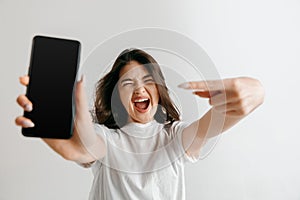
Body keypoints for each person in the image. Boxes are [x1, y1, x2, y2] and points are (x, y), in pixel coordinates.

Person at [15, 49, 265, 199]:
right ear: (116, 96)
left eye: (147, 80)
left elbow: (216, 120)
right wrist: (66, 138)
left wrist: (256, 93)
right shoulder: (108, 140)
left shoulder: (176, 137)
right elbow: (86, 147)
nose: (139, 88)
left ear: (158, 89)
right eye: (127, 83)